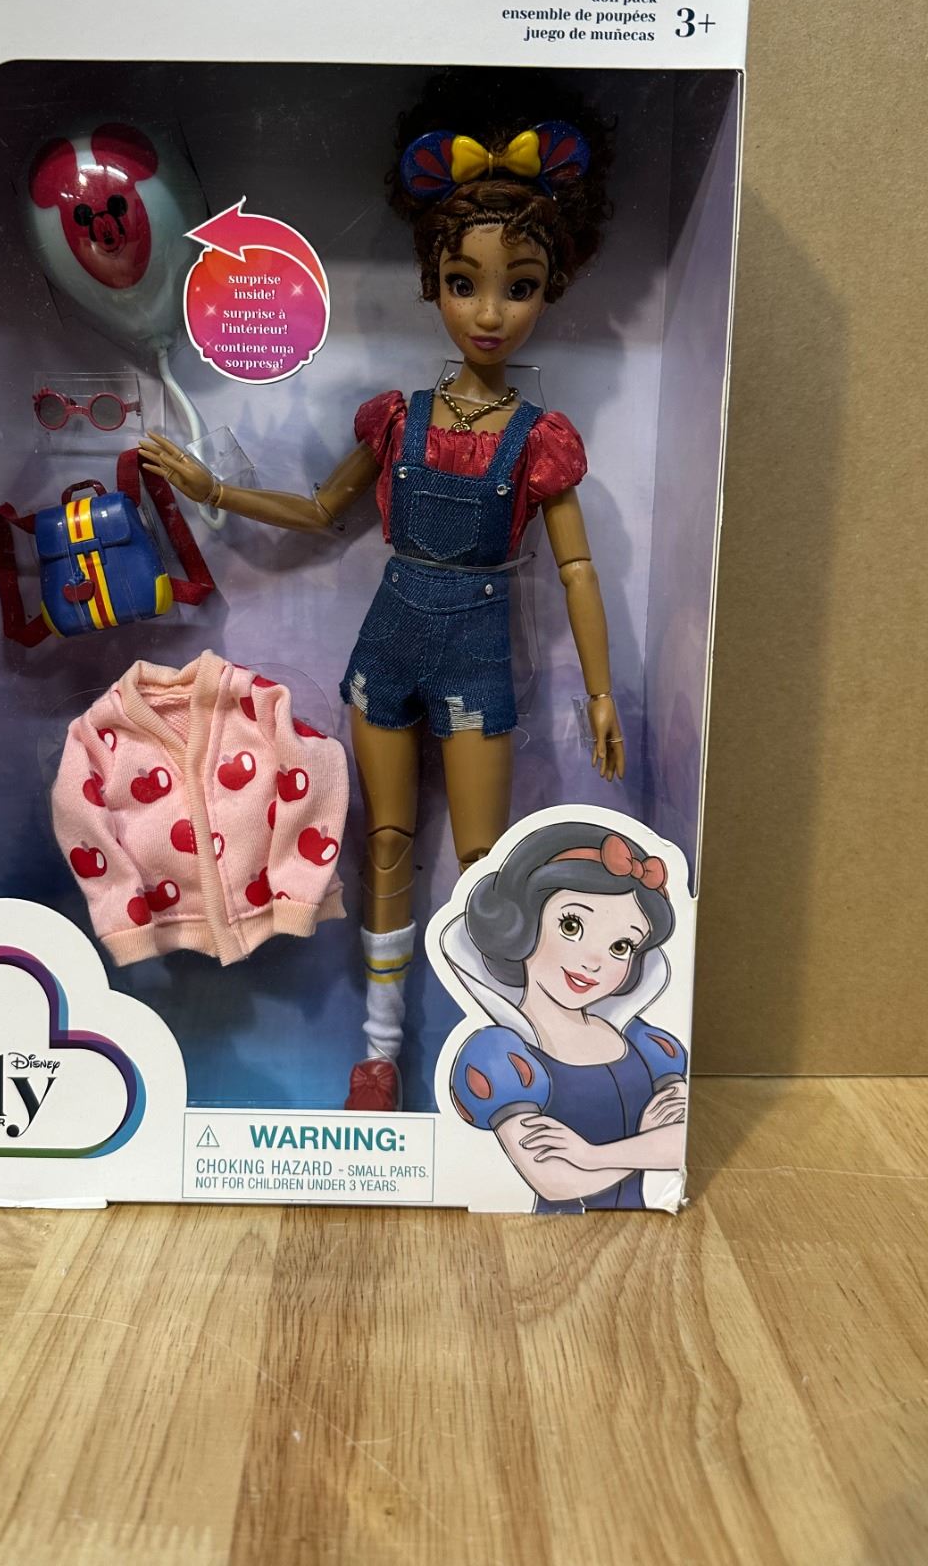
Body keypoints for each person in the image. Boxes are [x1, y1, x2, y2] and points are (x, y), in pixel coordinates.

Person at [139, 72, 625, 1111]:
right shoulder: (397, 419)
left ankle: (506, 1052)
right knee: (388, 842)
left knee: (487, 863)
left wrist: (600, 692)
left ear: (551, 289)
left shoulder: (540, 441)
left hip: (478, 649)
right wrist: (213, 487)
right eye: (464, 281)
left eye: (519, 286)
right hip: (388, 647)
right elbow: (323, 509)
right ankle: (377, 1049)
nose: (488, 311)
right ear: (433, 280)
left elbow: (576, 567)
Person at [441, 818, 688, 1212]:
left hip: (644, 1228)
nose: (594, 961)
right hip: (548, 1234)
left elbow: (682, 1142)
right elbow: (555, 1180)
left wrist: (591, 1155)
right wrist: (644, 1147)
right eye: (572, 925)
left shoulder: (645, 1043)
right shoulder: (498, 1056)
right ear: (519, 922)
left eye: (621, 946)